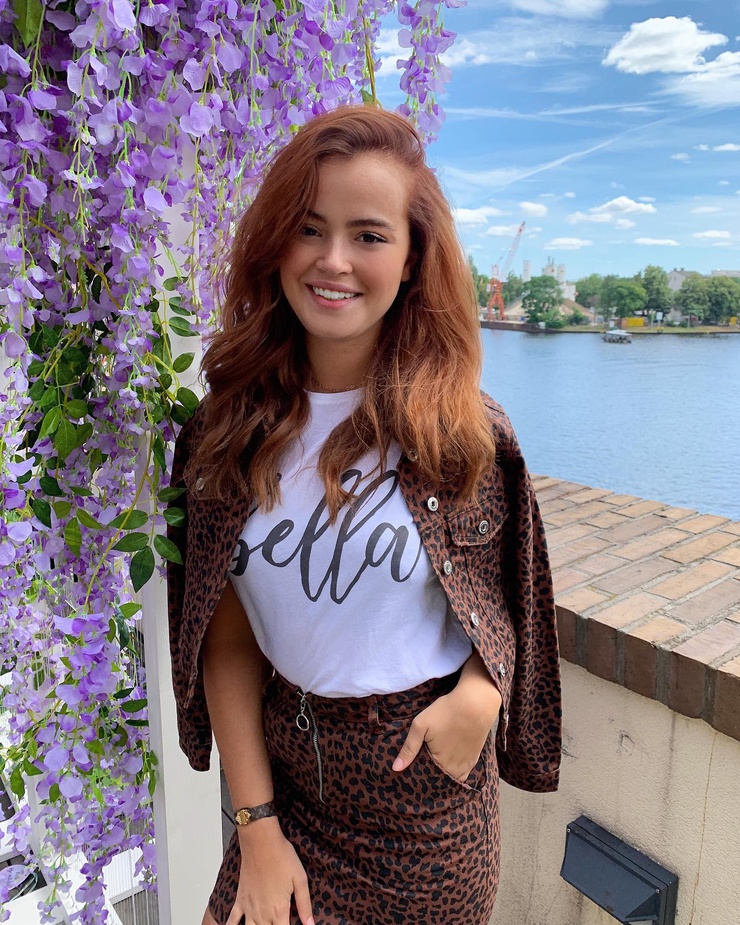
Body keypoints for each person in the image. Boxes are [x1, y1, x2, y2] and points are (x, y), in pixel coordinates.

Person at [166, 105, 562, 925]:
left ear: (413, 259)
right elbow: (226, 640)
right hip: (286, 783)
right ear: (276, 242)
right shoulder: (226, 429)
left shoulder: (462, 433)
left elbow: (512, 597)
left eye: (369, 235)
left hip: (424, 811)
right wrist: (256, 826)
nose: (334, 260)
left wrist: (482, 692)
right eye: (309, 228)